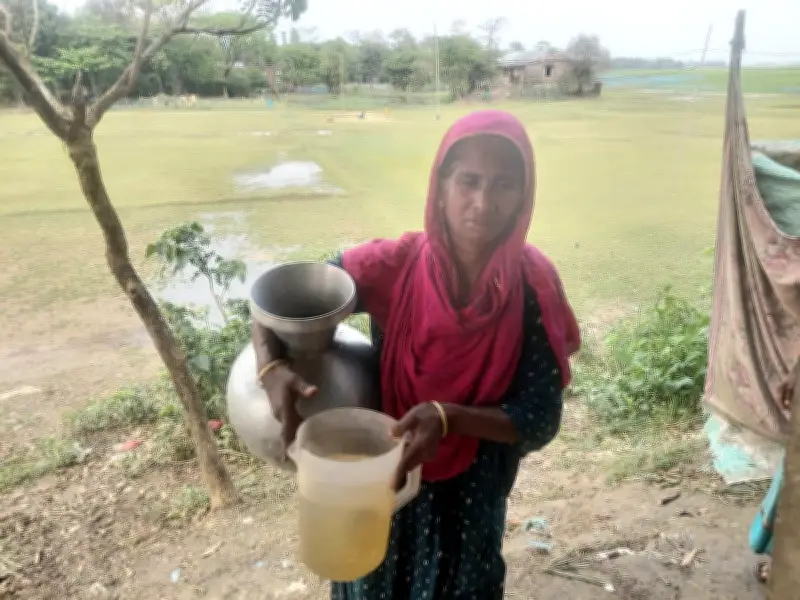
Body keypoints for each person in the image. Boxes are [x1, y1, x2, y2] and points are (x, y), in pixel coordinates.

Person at [252, 110, 580, 599]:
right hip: (380, 476)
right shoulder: (393, 265)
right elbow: (279, 301)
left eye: (504, 184)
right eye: (468, 180)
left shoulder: (532, 286)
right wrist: (272, 366)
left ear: (522, 196)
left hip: (471, 489)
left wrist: (450, 418)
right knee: (367, 572)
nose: (483, 202)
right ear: (441, 185)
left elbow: (538, 416)